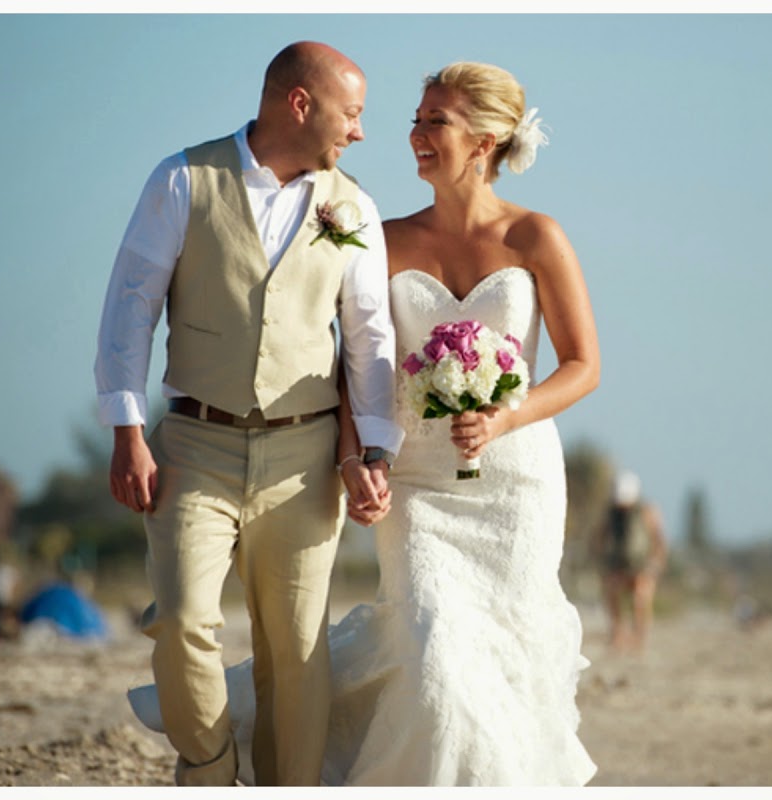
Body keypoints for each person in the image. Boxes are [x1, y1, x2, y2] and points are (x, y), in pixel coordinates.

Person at [131, 60, 598, 786]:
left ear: (485, 141)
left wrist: (509, 415)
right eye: (417, 118)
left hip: (514, 485)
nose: (412, 134)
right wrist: (360, 458)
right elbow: (357, 361)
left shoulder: (537, 238)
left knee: (504, 661)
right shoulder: (383, 233)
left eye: (433, 121)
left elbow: (582, 366)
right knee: (432, 647)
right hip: (416, 484)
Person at [99, 42, 402, 786]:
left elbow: (370, 340)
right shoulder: (182, 179)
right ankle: (207, 766)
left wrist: (375, 455)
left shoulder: (352, 205)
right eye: (352, 113)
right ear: (300, 105)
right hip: (194, 444)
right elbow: (129, 310)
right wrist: (128, 431)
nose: (360, 132)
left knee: (297, 652)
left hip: (305, 458)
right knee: (180, 621)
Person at [592, 470, 669, 653]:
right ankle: (617, 634)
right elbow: (599, 538)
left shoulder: (647, 512)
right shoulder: (611, 514)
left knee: (640, 598)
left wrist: (656, 564)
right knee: (611, 592)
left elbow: (659, 541)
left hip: (642, 565)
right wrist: (601, 562)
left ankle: (639, 639)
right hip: (618, 565)